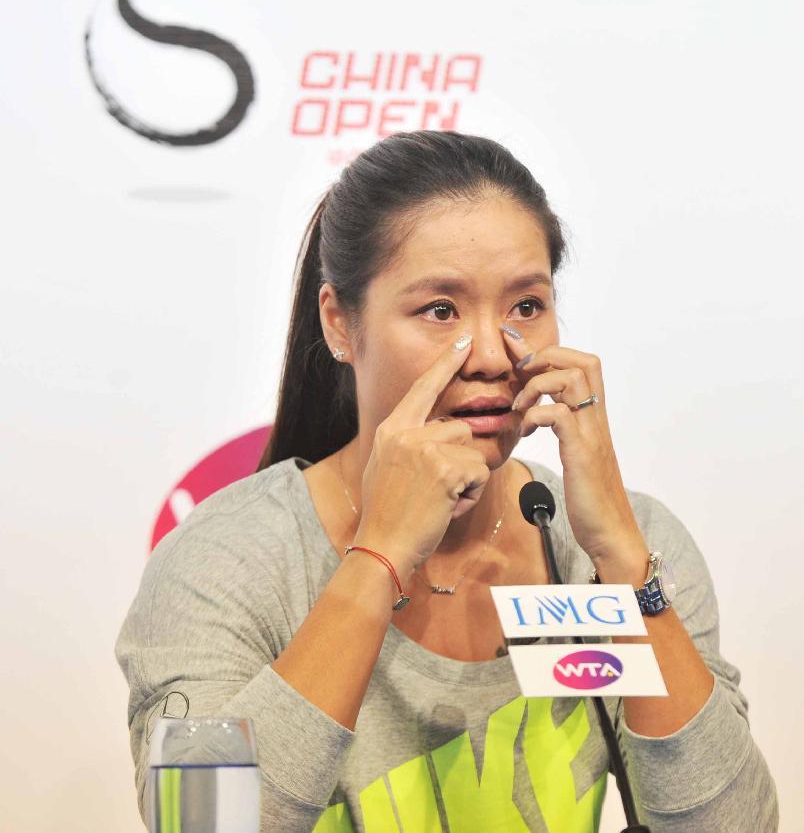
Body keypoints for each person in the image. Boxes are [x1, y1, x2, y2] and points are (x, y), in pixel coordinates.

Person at [116, 130, 778, 832]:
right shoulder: (227, 559)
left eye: (526, 306)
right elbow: (201, 823)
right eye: (440, 311)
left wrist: (622, 555)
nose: (492, 355)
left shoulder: (619, 550)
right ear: (340, 323)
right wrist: (379, 557)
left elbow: (734, 826)